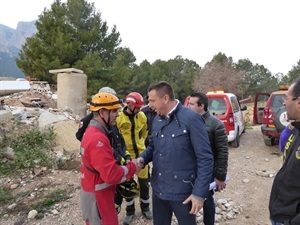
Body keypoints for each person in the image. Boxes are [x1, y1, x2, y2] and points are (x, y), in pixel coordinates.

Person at [137, 81, 214, 225]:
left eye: (152, 100)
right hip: (159, 190)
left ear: (165, 98)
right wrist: (142, 159)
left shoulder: (191, 119)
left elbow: (205, 158)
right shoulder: (156, 120)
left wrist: (199, 193)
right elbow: (153, 147)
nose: (149, 105)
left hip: (183, 192)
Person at [80, 92, 141, 225]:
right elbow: (111, 175)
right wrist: (133, 167)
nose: (118, 115)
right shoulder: (97, 139)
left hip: (97, 195)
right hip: (98, 199)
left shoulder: (95, 132)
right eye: (114, 111)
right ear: (102, 112)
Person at [188, 92, 228, 225]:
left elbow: (222, 151)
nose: (188, 106)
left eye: (191, 104)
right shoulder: (188, 121)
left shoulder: (216, 124)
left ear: (201, 106)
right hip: (190, 170)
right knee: (189, 199)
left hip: (208, 170)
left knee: (207, 199)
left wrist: (220, 176)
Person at [116, 91, 153, 225]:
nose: (139, 110)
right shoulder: (119, 118)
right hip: (127, 158)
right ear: (129, 105)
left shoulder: (142, 116)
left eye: (139, 107)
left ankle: (145, 208)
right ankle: (130, 211)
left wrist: (141, 147)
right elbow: (117, 139)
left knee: (144, 184)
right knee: (128, 186)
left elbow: (144, 133)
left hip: (141, 156)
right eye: (136, 107)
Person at [269, 78, 300, 225]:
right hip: (281, 213)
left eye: (286, 98)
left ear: (298, 102)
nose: (283, 103)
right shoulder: (295, 131)